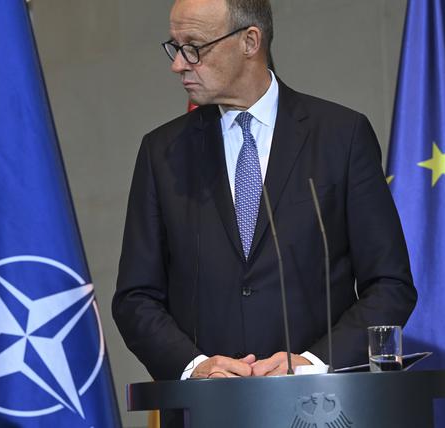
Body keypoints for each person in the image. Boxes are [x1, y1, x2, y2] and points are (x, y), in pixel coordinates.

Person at [113, 0, 417, 385]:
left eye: (194, 47)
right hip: (206, 410)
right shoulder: (162, 152)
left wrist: (316, 362)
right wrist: (193, 367)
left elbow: (389, 285)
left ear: (249, 41)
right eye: (175, 47)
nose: (178, 63)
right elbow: (135, 297)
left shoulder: (341, 136)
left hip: (321, 407)